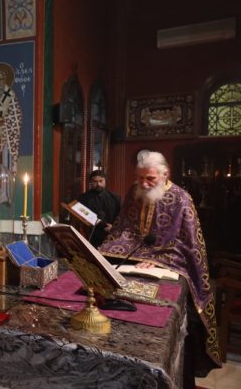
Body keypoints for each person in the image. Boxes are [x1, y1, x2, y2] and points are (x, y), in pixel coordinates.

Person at [99, 150, 221, 386]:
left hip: (169, 266)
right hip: (133, 261)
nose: (144, 184)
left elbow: (189, 247)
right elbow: (122, 230)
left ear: (165, 174)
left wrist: (157, 259)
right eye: (140, 177)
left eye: (150, 179)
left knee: (181, 323)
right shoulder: (134, 192)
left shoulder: (182, 199)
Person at [76, 170, 120, 247]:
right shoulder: (83, 198)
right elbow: (84, 216)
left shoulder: (115, 198)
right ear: (91, 182)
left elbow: (120, 215)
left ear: (105, 181)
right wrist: (104, 225)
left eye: (101, 181)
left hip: (112, 235)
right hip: (92, 235)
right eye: (95, 182)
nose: (98, 184)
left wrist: (113, 227)